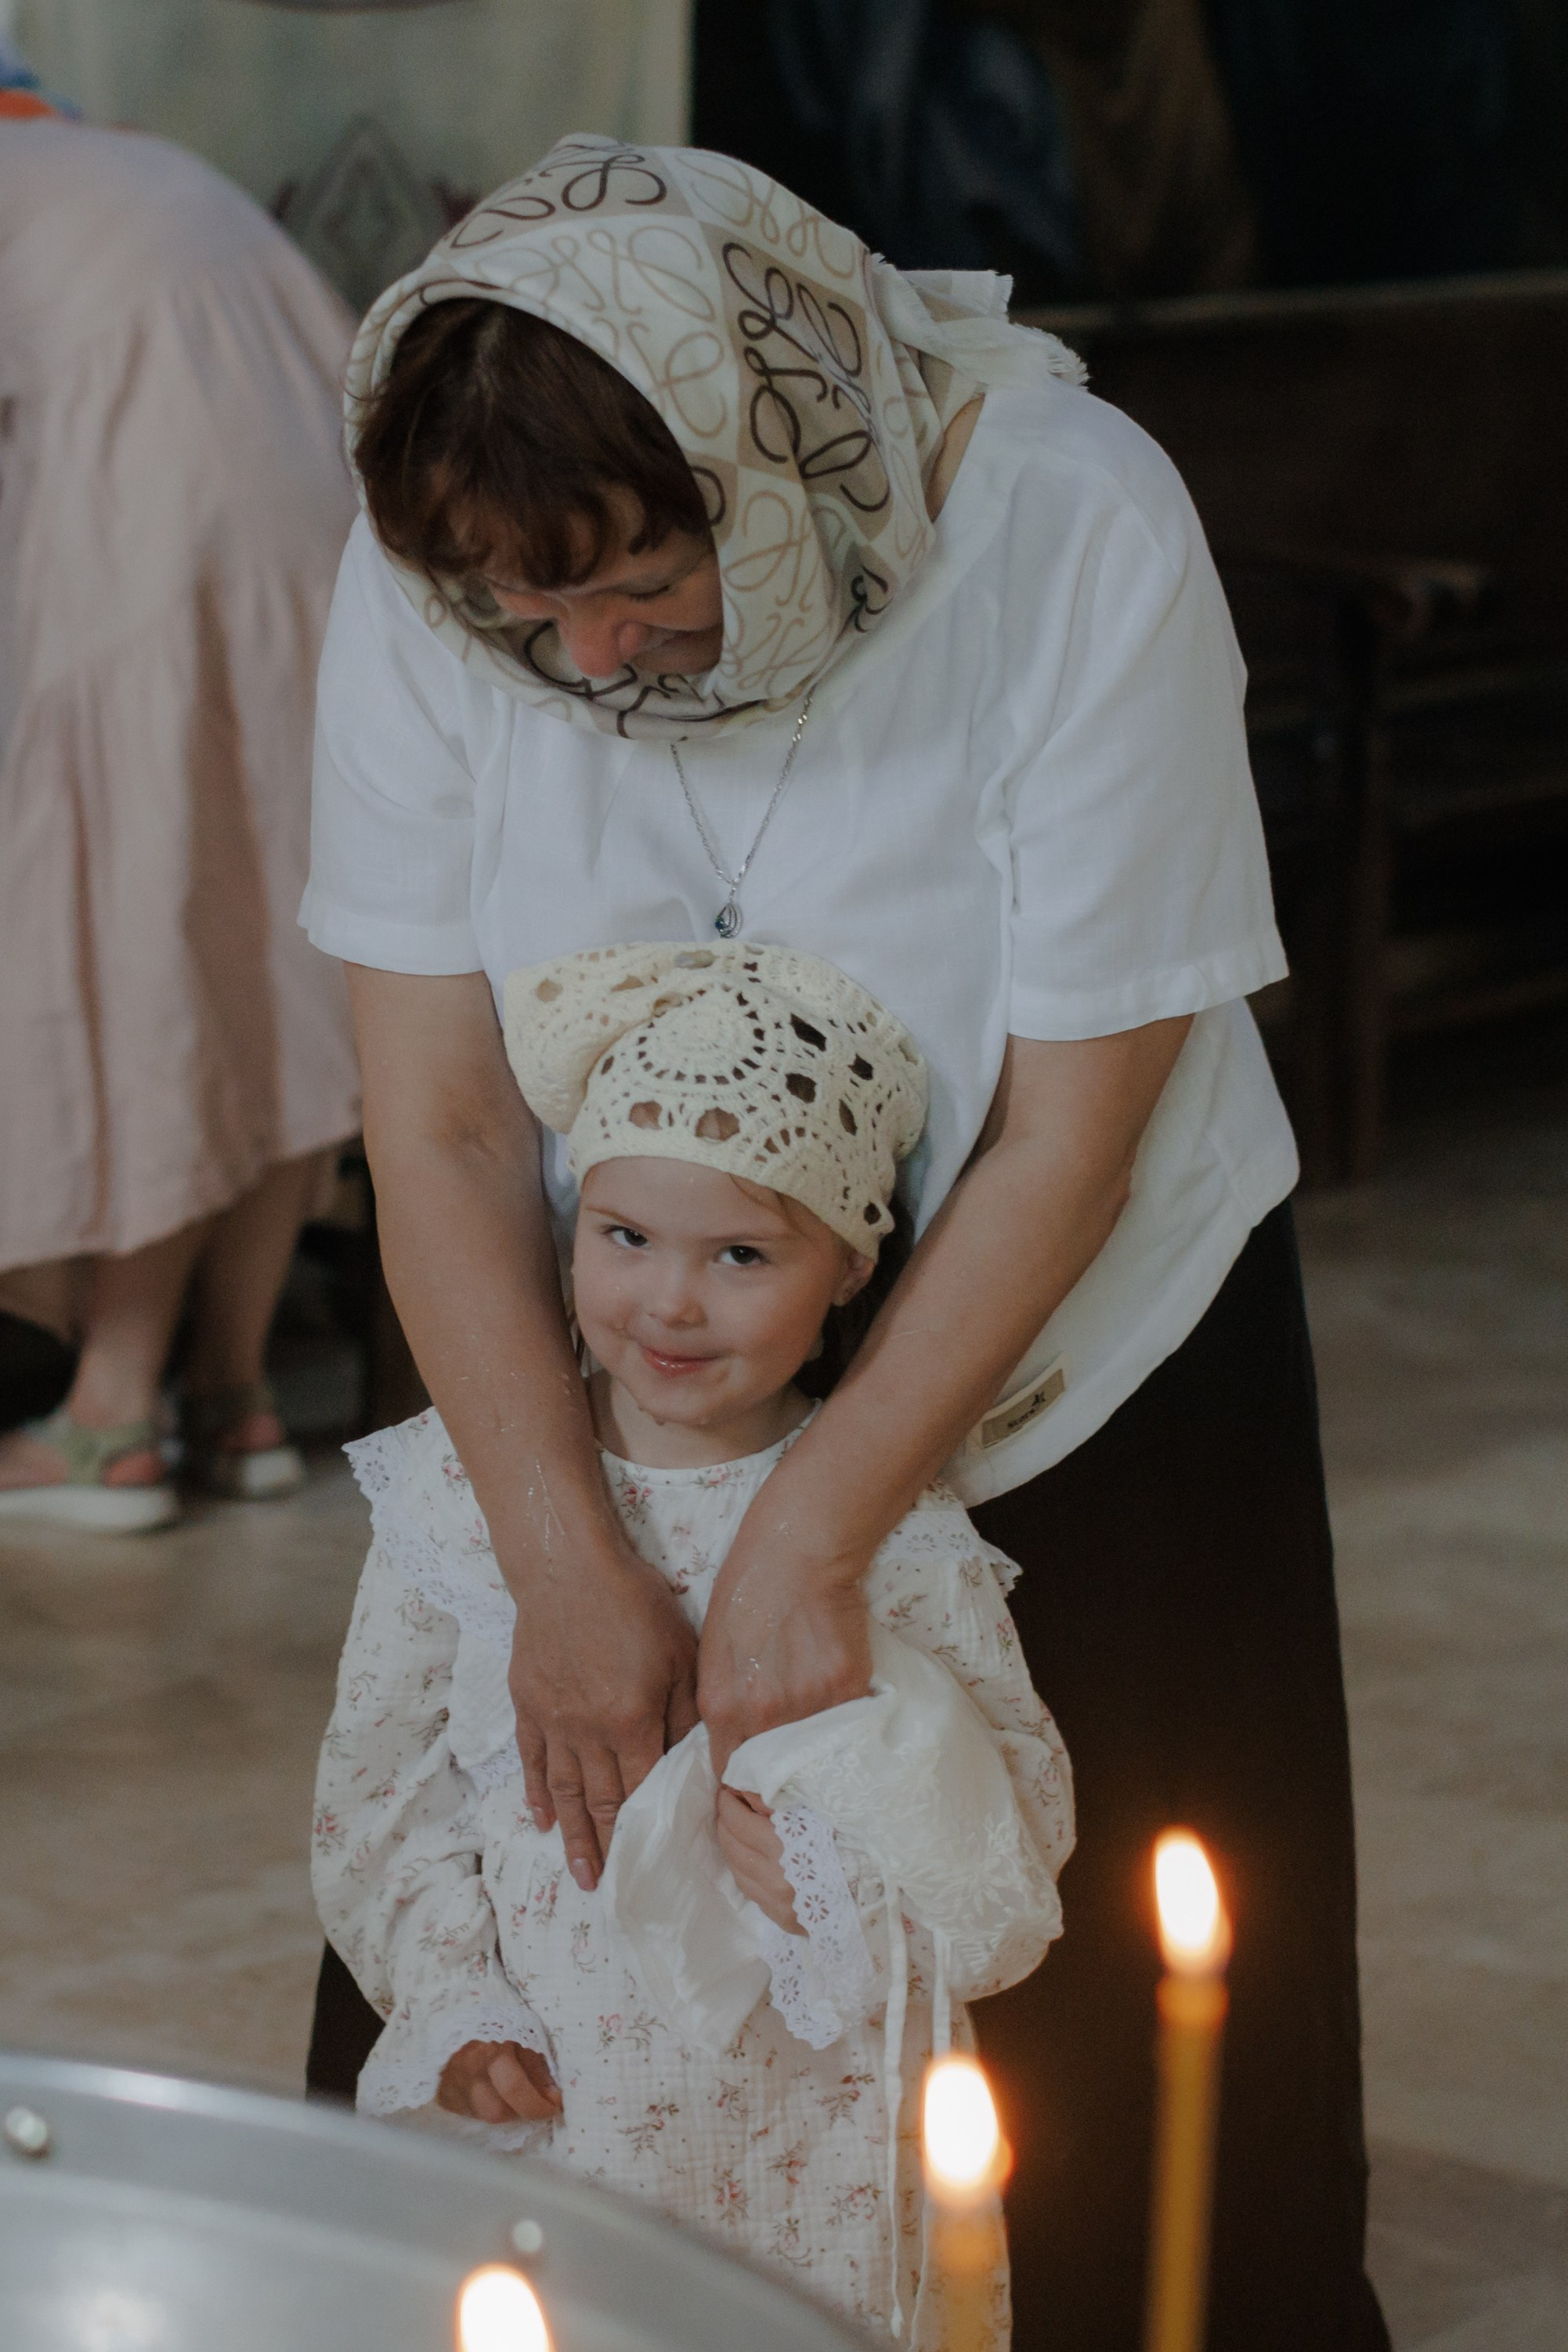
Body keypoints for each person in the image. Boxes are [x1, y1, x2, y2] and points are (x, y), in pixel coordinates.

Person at [303, 135, 1389, 2351]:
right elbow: (426, 1117)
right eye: (531, 619)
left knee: (1083, 2086)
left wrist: (815, 1528)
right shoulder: (442, 577)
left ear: (765, 464)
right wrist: (557, 1546)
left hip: (1061, 1313)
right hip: (623, 1322)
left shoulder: (1070, 518)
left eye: (641, 591)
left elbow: (1076, 1119)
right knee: (525, 1949)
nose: (586, 661)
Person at [315, 942, 1074, 2347]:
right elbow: (382, 1794)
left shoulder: (887, 1529)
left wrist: (847, 1869)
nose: (668, 1303)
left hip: (817, 2132)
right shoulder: (459, 1497)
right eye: (625, 1239)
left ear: (847, 1268)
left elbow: (1013, 1831)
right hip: (557, 2097)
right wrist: (456, 2004)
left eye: (739, 1255)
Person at [0, 71, 360, 1530]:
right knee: (274, 934)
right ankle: (234, 1392)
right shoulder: (116, 158)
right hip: (321, 527)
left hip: (159, 525)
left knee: (146, 934)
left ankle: (109, 1416)